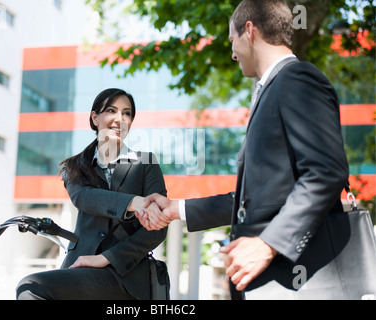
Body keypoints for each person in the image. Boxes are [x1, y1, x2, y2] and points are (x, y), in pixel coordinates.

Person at [137, 0, 349, 299]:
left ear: (249, 31)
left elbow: (326, 172)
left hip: (297, 282)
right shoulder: (275, 88)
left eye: (231, 40)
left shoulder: (297, 79)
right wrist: (177, 209)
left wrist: (267, 243)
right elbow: (259, 200)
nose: (232, 52)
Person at [16, 88, 167, 300]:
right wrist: (136, 202)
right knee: (30, 289)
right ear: (95, 118)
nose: (119, 119)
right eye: (111, 110)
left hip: (125, 274)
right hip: (78, 265)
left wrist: (108, 257)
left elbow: (157, 229)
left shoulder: (145, 164)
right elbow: (86, 198)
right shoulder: (74, 167)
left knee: (31, 286)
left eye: (127, 113)